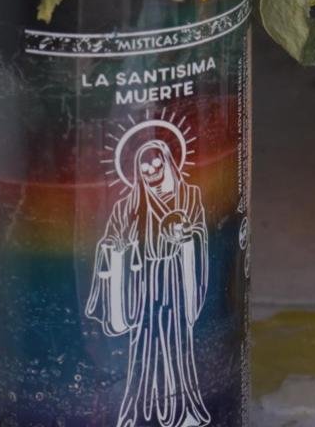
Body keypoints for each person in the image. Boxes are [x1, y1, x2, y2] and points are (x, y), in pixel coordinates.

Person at [88, 137, 211, 427]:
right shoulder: (127, 206)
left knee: (178, 346)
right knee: (145, 348)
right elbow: (110, 242)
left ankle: (183, 410)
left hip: (176, 282)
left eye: (157, 165)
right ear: (137, 173)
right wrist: (119, 249)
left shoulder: (190, 196)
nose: (153, 172)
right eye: (145, 169)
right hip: (144, 286)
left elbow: (200, 235)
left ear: (169, 162)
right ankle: (141, 412)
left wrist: (184, 239)